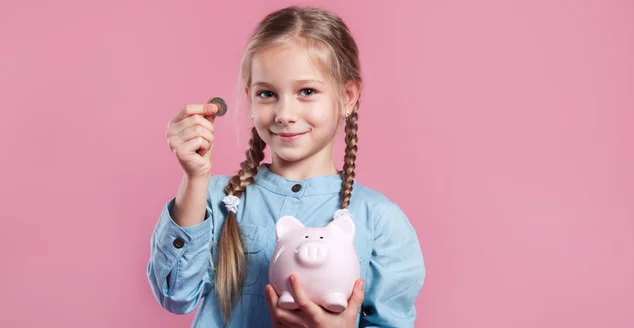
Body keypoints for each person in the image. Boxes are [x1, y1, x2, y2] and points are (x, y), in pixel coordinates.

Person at [147, 6, 426, 328]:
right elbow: (175, 295)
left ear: (347, 96)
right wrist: (194, 178)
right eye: (268, 93)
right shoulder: (214, 199)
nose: (284, 113)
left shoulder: (380, 220)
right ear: (250, 97)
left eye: (307, 91)